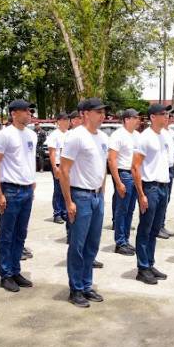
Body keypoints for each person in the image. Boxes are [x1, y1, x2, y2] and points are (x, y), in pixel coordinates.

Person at [59, 97, 109, 308]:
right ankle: (76, 289)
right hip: (80, 196)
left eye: (103, 111)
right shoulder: (75, 136)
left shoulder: (103, 137)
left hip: (97, 196)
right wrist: (68, 201)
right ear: (85, 113)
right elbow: (64, 170)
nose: (102, 115)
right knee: (77, 246)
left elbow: (102, 168)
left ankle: (87, 285)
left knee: (92, 245)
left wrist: (102, 193)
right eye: (98, 111)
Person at [0, 100, 38, 293]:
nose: (29, 113)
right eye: (25, 110)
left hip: (26, 190)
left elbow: (28, 161)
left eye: (29, 110)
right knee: (7, 234)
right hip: (10, 190)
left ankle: (16, 270)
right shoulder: (4, 135)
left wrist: (32, 182)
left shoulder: (31, 135)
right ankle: (6, 274)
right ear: (14, 113)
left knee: (20, 234)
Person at [131, 104, 172, 285]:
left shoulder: (164, 136)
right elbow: (135, 166)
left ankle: (150, 263)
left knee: (155, 229)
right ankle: (142, 267)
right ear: (153, 117)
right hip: (150, 188)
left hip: (163, 187)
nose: (166, 117)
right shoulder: (145, 137)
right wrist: (141, 194)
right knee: (145, 228)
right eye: (163, 114)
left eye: (167, 114)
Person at [108, 108, 140, 256]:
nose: (138, 120)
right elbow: (112, 159)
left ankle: (126, 240)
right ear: (127, 119)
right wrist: (118, 182)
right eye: (135, 117)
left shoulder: (137, 136)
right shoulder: (118, 135)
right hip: (124, 175)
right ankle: (120, 242)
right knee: (122, 210)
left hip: (135, 175)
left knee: (130, 210)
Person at [45, 113, 70, 224]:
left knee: (67, 189)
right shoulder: (54, 135)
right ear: (58, 122)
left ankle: (65, 212)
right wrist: (54, 167)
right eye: (63, 120)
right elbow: (52, 153)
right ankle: (57, 213)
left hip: (69, 165)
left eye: (67, 120)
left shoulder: (70, 134)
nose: (66, 122)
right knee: (58, 189)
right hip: (59, 164)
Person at [157, 115, 174, 240]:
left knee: (166, 199)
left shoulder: (171, 132)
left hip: (170, 167)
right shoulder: (160, 132)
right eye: (166, 116)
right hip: (162, 169)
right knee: (160, 200)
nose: (168, 118)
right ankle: (157, 227)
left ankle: (161, 224)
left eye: (170, 116)